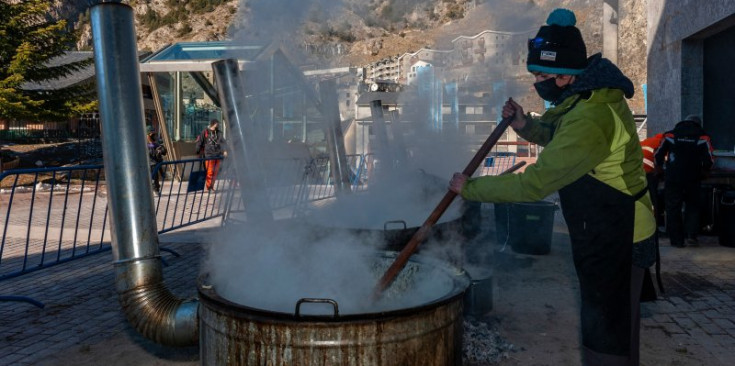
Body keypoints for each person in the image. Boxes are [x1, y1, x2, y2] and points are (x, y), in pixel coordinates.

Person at [449, 8, 655, 366]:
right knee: (612, 326)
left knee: (608, 333)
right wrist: (523, 123)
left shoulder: (591, 116)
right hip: (604, 226)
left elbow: (535, 184)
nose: (537, 81)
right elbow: (558, 136)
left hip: (620, 232)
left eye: (542, 73)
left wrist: (472, 189)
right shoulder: (583, 97)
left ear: (565, 75)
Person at [654, 115, 714, 247]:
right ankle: (691, 236)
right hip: (693, 177)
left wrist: (660, 170)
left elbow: (658, 155)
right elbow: (709, 159)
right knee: (692, 206)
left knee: (673, 207)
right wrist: (705, 171)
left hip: (673, 177)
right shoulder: (703, 137)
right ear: (698, 124)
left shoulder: (670, 135)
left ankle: (677, 241)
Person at [195, 119, 227, 191]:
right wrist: (198, 151)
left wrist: (225, 150)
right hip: (209, 155)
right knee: (209, 172)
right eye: (217, 123)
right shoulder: (205, 132)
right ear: (214, 123)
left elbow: (223, 142)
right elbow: (200, 142)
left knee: (215, 172)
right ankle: (209, 187)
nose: (218, 125)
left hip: (217, 154)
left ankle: (211, 186)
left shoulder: (219, 133)